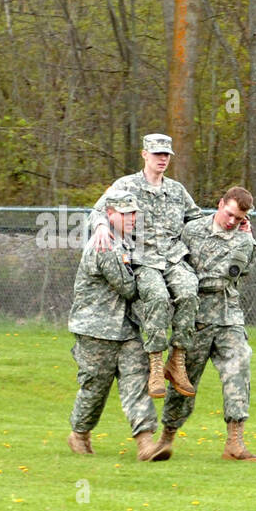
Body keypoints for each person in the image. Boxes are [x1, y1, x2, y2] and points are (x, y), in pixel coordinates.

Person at [91, 133, 204, 401]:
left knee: (189, 291)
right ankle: (155, 363)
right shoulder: (126, 185)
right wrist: (99, 227)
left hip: (174, 257)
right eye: (157, 154)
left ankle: (176, 361)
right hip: (143, 258)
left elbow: (197, 219)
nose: (162, 159)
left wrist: (230, 226)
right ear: (145, 155)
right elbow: (98, 210)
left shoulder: (177, 190)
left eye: (166, 155)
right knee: (157, 297)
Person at [153, 186, 256, 461]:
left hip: (227, 315)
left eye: (239, 218)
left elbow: (233, 274)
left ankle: (235, 443)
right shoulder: (191, 231)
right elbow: (173, 265)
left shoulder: (245, 242)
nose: (232, 221)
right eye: (229, 214)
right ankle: (166, 438)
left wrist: (247, 239)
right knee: (184, 381)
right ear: (220, 203)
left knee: (239, 366)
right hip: (194, 319)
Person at [66, 191, 170, 461]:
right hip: (96, 330)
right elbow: (128, 287)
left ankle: (146, 443)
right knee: (95, 389)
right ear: (110, 215)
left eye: (134, 213)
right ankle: (79, 434)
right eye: (125, 213)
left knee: (136, 382)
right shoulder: (105, 245)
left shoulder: (126, 242)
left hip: (126, 330)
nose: (132, 218)